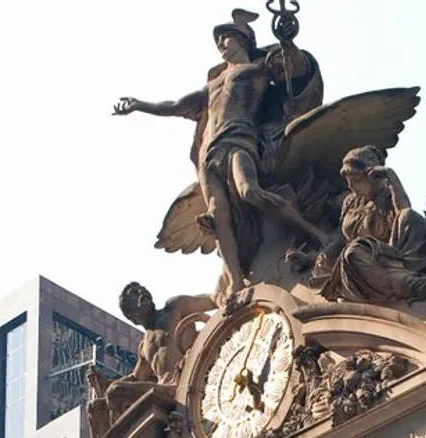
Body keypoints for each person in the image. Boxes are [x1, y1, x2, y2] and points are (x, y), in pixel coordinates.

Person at [112, 9, 329, 300]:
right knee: (218, 216)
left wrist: (287, 42)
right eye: (219, 39)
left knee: (250, 191)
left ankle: (313, 233)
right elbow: (175, 106)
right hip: (209, 152)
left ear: (242, 40)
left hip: (240, 139)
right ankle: (237, 280)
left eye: (225, 37)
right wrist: (140, 105)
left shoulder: (258, 68)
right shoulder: (213, 83)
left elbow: (296, 71)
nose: (220, 43)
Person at [302, 146, 426, 305]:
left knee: (404, 219)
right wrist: (311, 257)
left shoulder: (388, 196)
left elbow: (404, 213)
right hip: (362, 264)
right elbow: (341, 239)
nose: (352, 186)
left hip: (389, 257)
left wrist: (392, 179)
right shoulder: (350, 202)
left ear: (372, 175)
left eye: (357, 180)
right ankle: (411, 284)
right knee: (351, 254)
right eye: (348, 181)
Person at [102, 283, 216, 422]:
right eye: (134, 293)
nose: (141, 290)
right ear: (132, 315)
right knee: (110, 396)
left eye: (141, 288)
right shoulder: (144, 346)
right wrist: (109, 385)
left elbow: (212, 299)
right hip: (165, 390)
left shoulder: (174, 307)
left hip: (187, 377)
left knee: (116, 391)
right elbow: (137, 376)